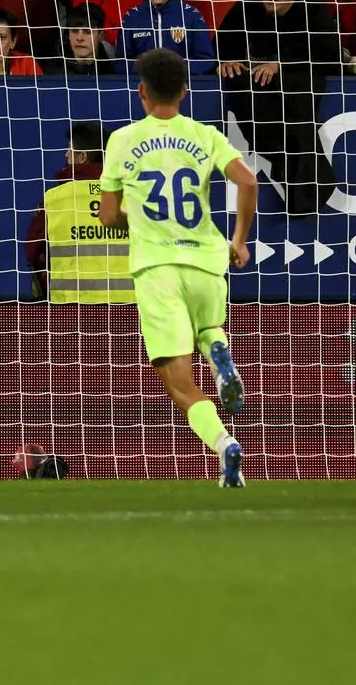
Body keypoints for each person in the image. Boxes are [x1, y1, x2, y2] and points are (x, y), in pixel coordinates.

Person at [97, 49, 259, 488]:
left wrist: (138, 216)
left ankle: (226, 444)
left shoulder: (122, 140)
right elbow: (248, 181)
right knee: (209, 329)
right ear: (185, 92)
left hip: (157, 267)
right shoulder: (204, 135)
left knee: (180, 384)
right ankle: (220, 355)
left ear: (141, 92)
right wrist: (239, 240)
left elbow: (108, 216)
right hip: (207, 259)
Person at [217, 0, 341, 215]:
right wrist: (226, 60)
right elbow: (219, 47)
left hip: (296, 85)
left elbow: (329, 55)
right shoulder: (245, 8)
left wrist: (281, 64)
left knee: (296, 83)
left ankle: (300, 179)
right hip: (258, 92)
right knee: (243, 81)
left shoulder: (313, 8)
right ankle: (289, 166)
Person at [26, 122, 131, 302]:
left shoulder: (54, 199)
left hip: (73, 311)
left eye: (69, 149)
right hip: (134, 310)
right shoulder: (132, 196)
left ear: (82, 157)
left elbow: (34, 255)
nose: (66, 155)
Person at [115, 0, 216, 77]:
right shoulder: (131, 18)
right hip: (143, 89)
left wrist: (174, 68)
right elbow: (120, 64)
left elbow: (207, 61)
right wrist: (147, 67)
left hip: (182, 88)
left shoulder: (192, 16)